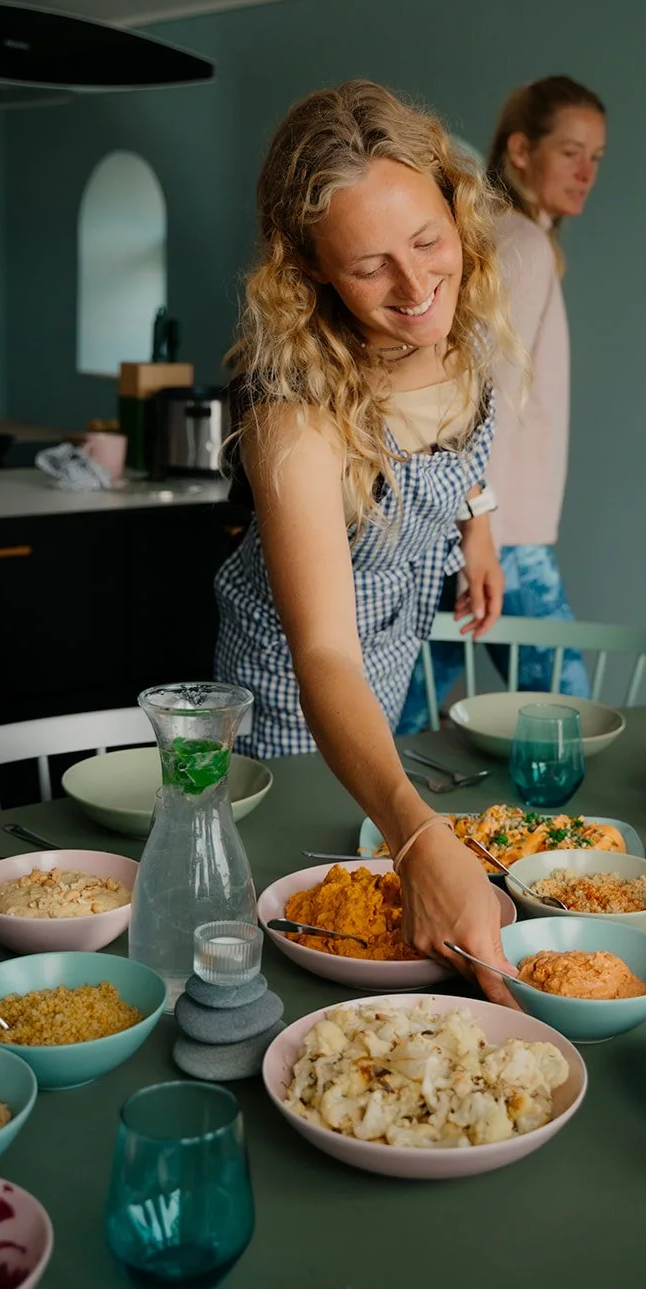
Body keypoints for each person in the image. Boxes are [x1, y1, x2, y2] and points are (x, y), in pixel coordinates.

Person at [214, 78, 520, 1000]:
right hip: (291, 685)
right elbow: (322, 653)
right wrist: (417, 833)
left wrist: (478, 528)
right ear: (310, 269)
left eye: (427, 241)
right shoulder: (294, 414)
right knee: (307, 904)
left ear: (456, 211)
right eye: (368, 267)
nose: (416, 287)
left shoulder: (459, 335)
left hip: (390, 641)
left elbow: (464, 445)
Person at [398, 75, 607, 732]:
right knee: (572, 719)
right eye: (570, 152)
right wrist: (479, 530)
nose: (586, 173)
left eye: (595, 157)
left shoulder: (507, 238)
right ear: (520, 150)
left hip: (482, 527)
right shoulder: (522, 246)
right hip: (503, 535)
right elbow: (475, 394)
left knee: (408, 715)